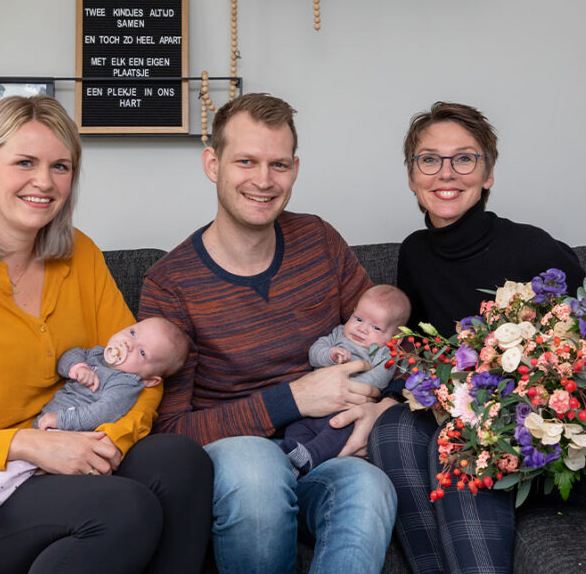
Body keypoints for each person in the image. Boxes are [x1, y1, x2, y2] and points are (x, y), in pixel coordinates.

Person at [0, 95, 213, 574]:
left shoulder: (81, 255)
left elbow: (138, 374)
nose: (44, 182)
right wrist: (25, 444)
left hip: (57, 466)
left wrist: (106, 441)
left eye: (60, 167)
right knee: (123, 509)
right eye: (25, 162)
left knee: (181, 461)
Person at [138, 92, 397, 574]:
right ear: (212, 164)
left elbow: (394, 345)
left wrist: (382, 407)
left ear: (295, 169)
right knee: (256, 471)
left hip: (323, 451)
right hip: (238, 465)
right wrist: (292, 399)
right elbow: (168, 432)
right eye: (246, 161)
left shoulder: (319, 240)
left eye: (278, 164)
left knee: (369, 486)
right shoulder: (170, 284)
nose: (263, 180)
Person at [367, 101, 586, 574]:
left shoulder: (533, 247)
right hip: (464, 407)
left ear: (488, 174)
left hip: (535, 427)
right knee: (393, 429)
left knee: (460, 444)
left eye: (465, 158)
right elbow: (420, 348)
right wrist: (383, 394)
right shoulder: (415, 252)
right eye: (429, 159)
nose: (447, 173)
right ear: (412, 176)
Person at [0, 317, 189, 521]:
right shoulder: (97, 354)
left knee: (21, 466)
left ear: (151, 379)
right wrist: (78, 368)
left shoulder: (126, 383)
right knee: (10, 456)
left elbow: (102, 413)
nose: (129, 345)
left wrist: (61, 422)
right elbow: (69, 356)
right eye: (133, 333)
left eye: (142, 353)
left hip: (69, 435)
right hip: (47, 427)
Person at [281, 284, 410, 477]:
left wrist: (348, 383)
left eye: (375, 327)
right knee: (295, 428)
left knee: (338, 431)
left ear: (396, 339)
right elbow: (315, 352)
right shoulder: (339, 334)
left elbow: (379, 379)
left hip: (347, 409)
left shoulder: (386, 352)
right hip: (315, 407)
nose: (361, 329)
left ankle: (313, 456)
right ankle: (296, 460)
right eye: (358, 318)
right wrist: (330, 355)